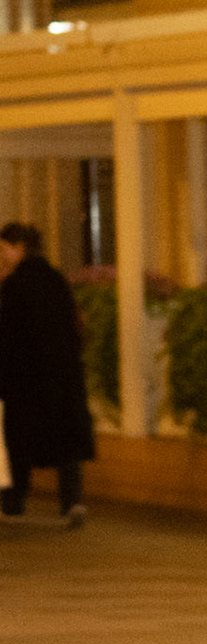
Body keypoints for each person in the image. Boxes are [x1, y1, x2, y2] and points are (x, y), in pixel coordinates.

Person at [0, 222, 94, 528]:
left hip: (25, 378)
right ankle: (72, 500)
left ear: (19, 248)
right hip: (62, 374)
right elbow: (74, 326)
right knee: (66, 441)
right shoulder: (57, 281)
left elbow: (7, 335)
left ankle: (14, 500)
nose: (2, 255)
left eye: (4, 249)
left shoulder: (14, 286)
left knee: (18, 441)